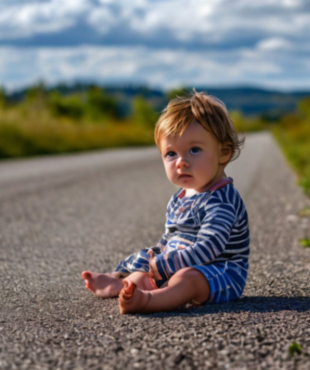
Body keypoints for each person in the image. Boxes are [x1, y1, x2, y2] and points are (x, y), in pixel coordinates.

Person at [81, 90, 249, 314]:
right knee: (145, 270)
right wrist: (151, 261)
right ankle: (122, 282)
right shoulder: (180, 197)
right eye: (171, 154)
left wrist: (166, 265)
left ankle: (149, 301)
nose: (181, 162)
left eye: (194, 150)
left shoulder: (221, 199)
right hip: (181, 263)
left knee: (185, 278)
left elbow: (211, 247)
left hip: (220, 273)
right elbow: (169, 240)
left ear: (223, 153)